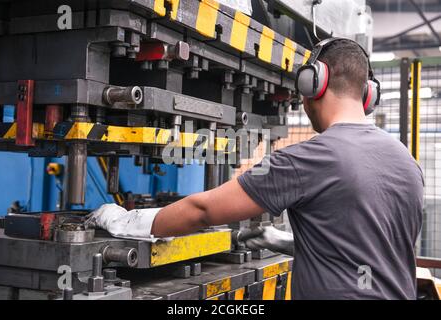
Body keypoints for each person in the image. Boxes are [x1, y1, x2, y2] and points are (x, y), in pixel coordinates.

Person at [86, 39, 423, 299]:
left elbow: (203, 210)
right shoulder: (406, 161)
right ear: (367, 95)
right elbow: (376, 245)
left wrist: (127, 220)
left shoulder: (308, 159)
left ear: (313, 85)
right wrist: (291, 242)